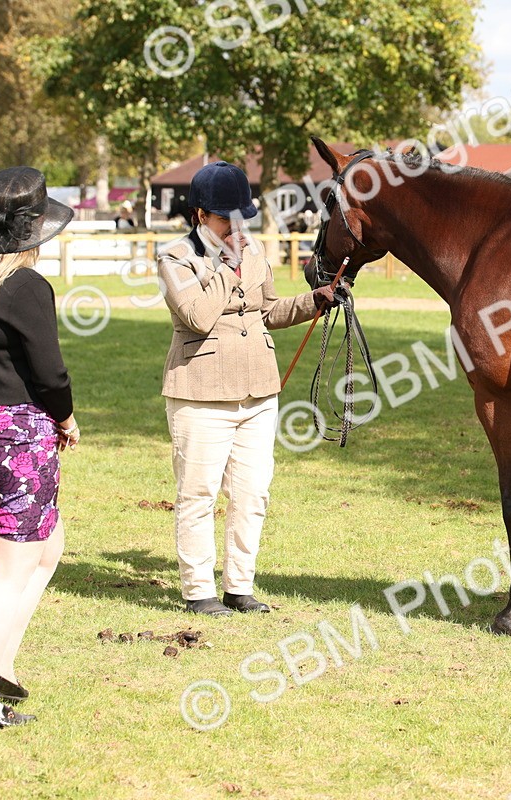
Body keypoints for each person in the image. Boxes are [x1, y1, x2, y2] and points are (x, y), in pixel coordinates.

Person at [158, 161, 336, 617]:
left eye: (242, 218)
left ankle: (240, 586)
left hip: (259, 390)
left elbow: (268, 311)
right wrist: (227, 266)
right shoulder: (175, 258)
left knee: (253, 493)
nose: (236, 228)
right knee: (198, 495)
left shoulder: (254, 251)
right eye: (225, 219)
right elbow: (197, 315)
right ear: (200, 215)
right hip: (200, 392)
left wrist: (313, 301)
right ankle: (199, 590)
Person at [0, 167, 79, 727]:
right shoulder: (28, 287)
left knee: (48, 547)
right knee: (9, 570)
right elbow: (50, 374)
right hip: (17, 436)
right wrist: (67, 419)